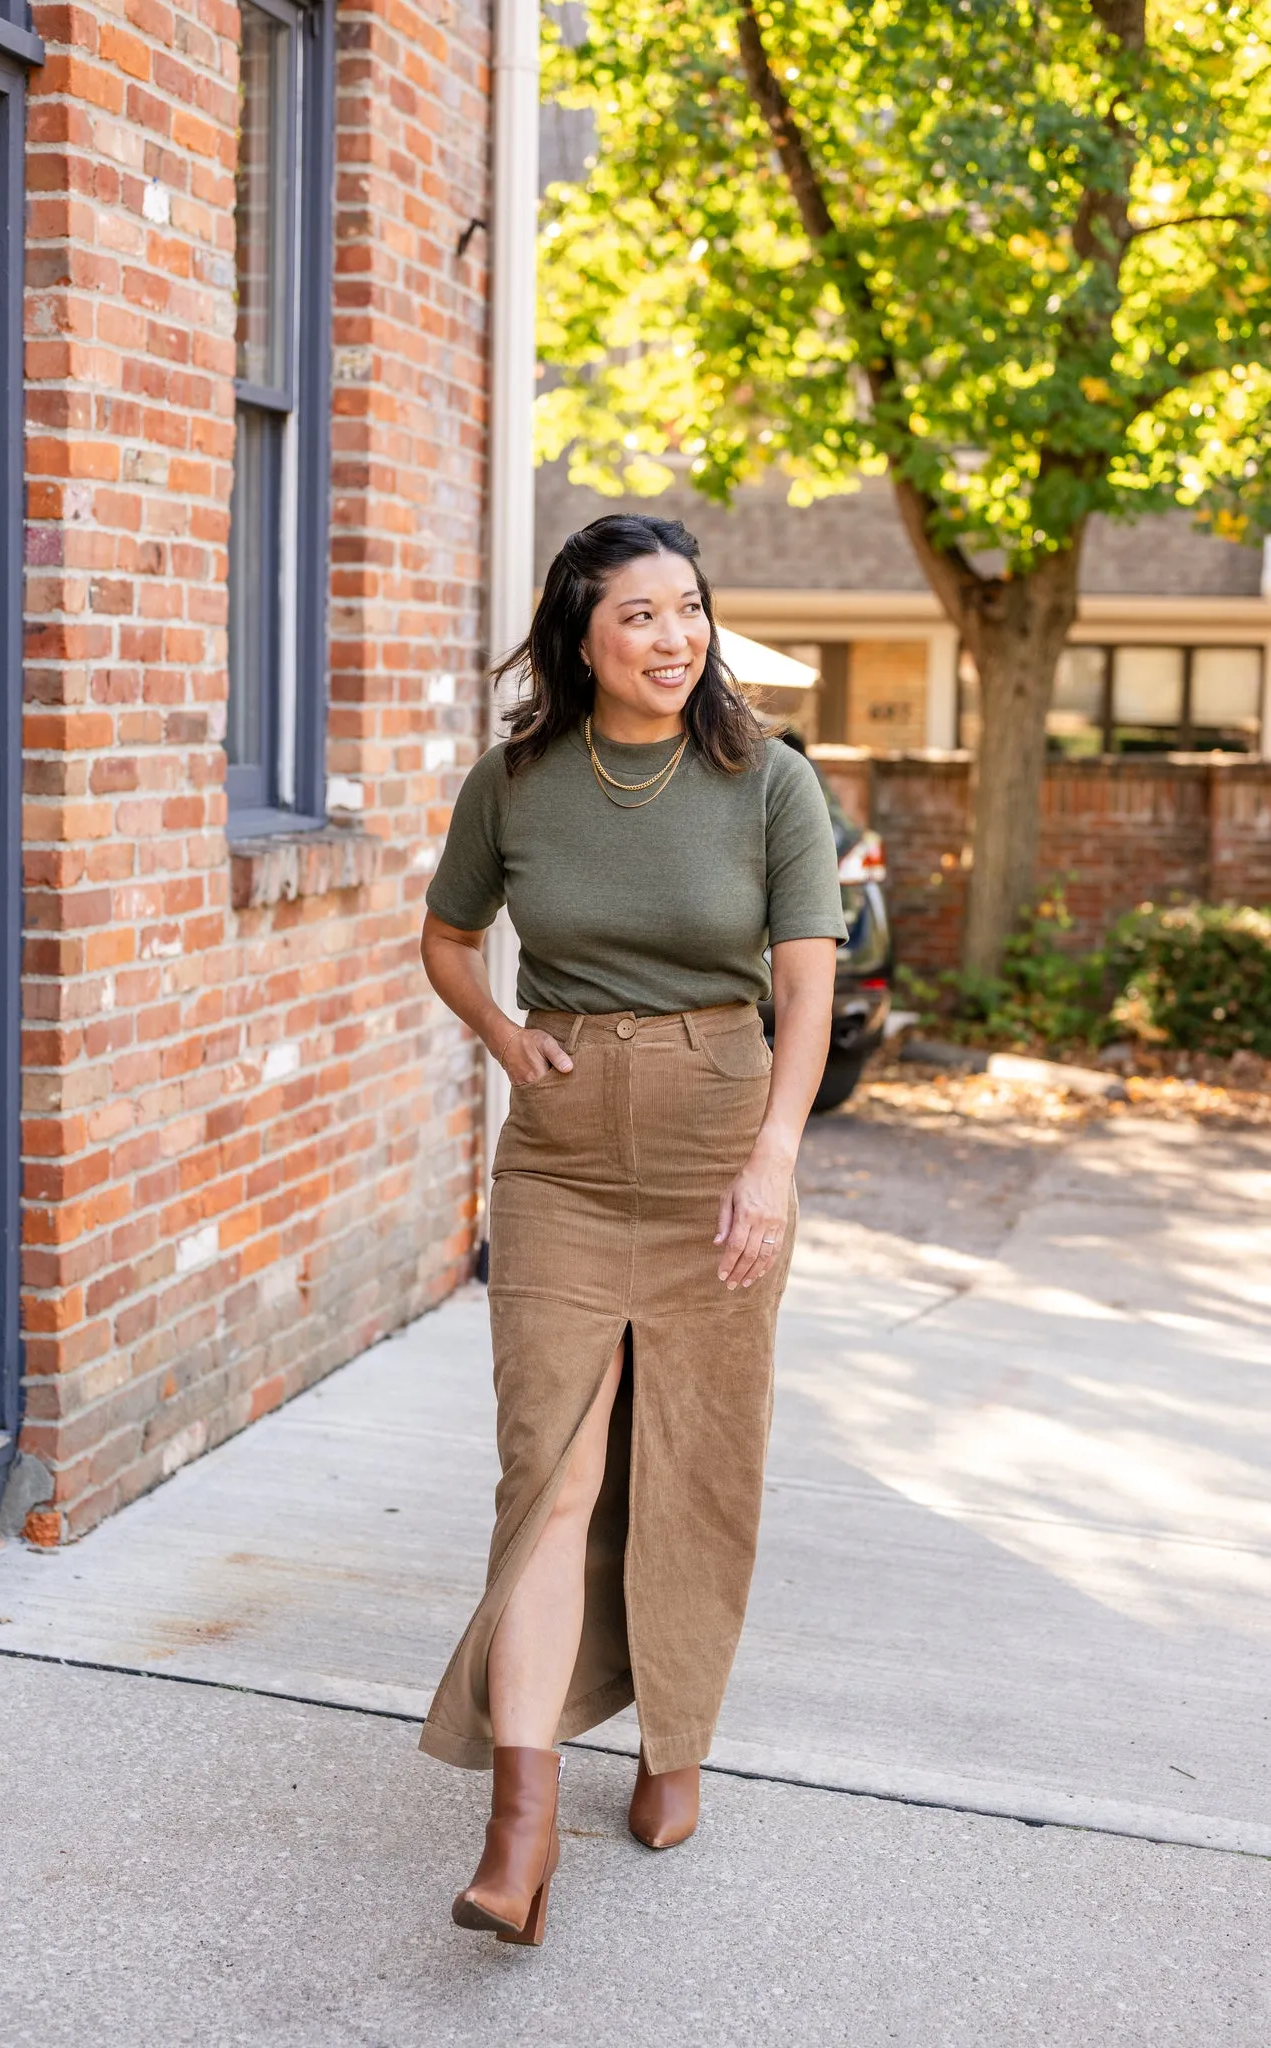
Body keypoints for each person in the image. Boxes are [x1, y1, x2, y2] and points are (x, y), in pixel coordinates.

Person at [418, 513, 844, 1945]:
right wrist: (496, 1031)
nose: (675, 639)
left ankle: (675, 1744)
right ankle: (520, 1828)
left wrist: (774, 1160)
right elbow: (447, 936)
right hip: (563, 1159)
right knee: (549, 1466)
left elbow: (805, 989)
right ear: (581, 639)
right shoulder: (519, 783)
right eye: (641, 617)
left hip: (724, 1135)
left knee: (697, 1463)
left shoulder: (770, 782)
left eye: (689, 611)